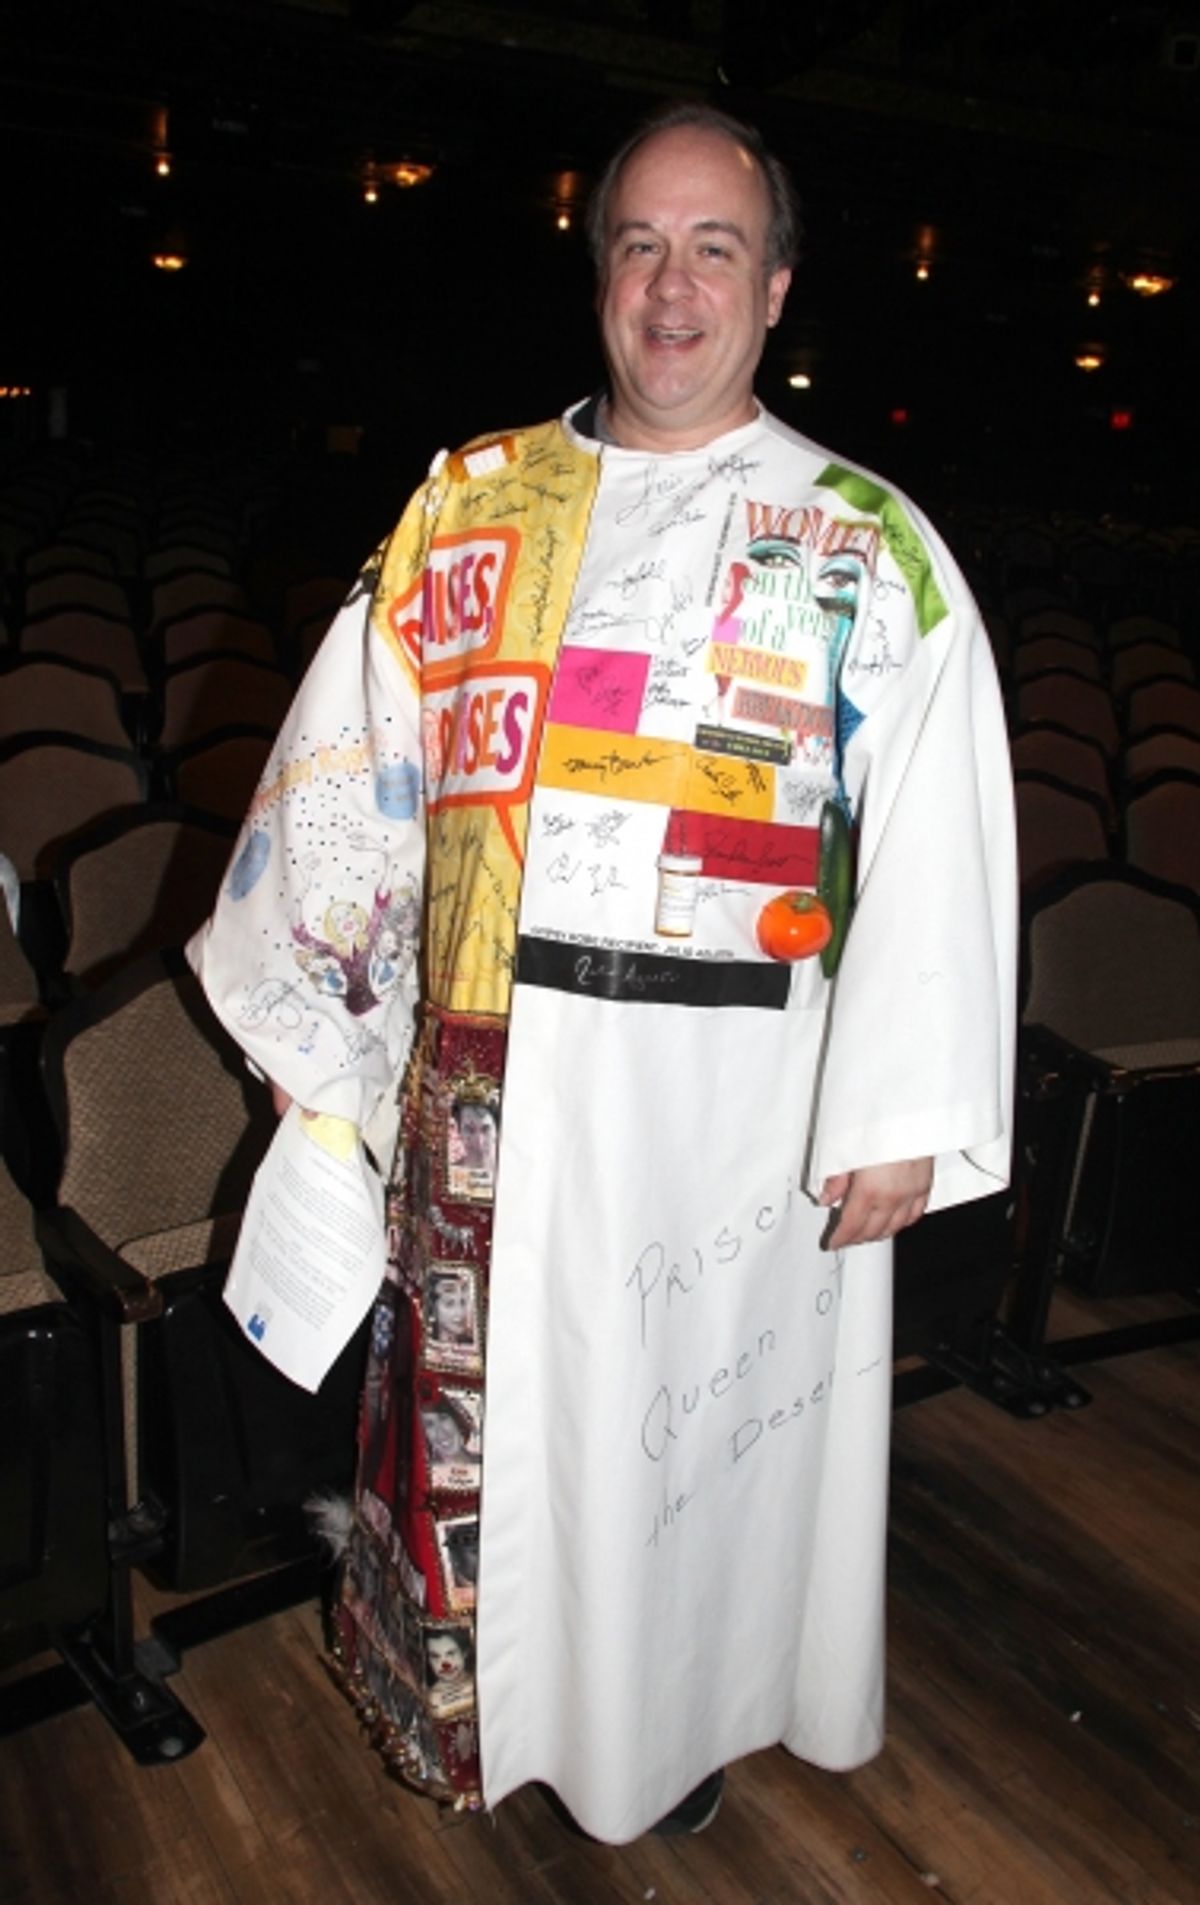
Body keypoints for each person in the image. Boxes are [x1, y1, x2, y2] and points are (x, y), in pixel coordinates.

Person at [190, 102, 1015, 1842]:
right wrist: (313, 1026)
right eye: (641, 241)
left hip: (746, 1104)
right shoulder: (472, 503)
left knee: (688, 1464)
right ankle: (501, 1721)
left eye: (716, 246)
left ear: (776, 286)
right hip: (499, 1059)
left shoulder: (868, 543)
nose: (674, 282)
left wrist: (903, 1111)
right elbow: (354, 758)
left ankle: (674, 1733)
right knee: (520, 1443)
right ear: (598, 274)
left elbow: (936, 829)